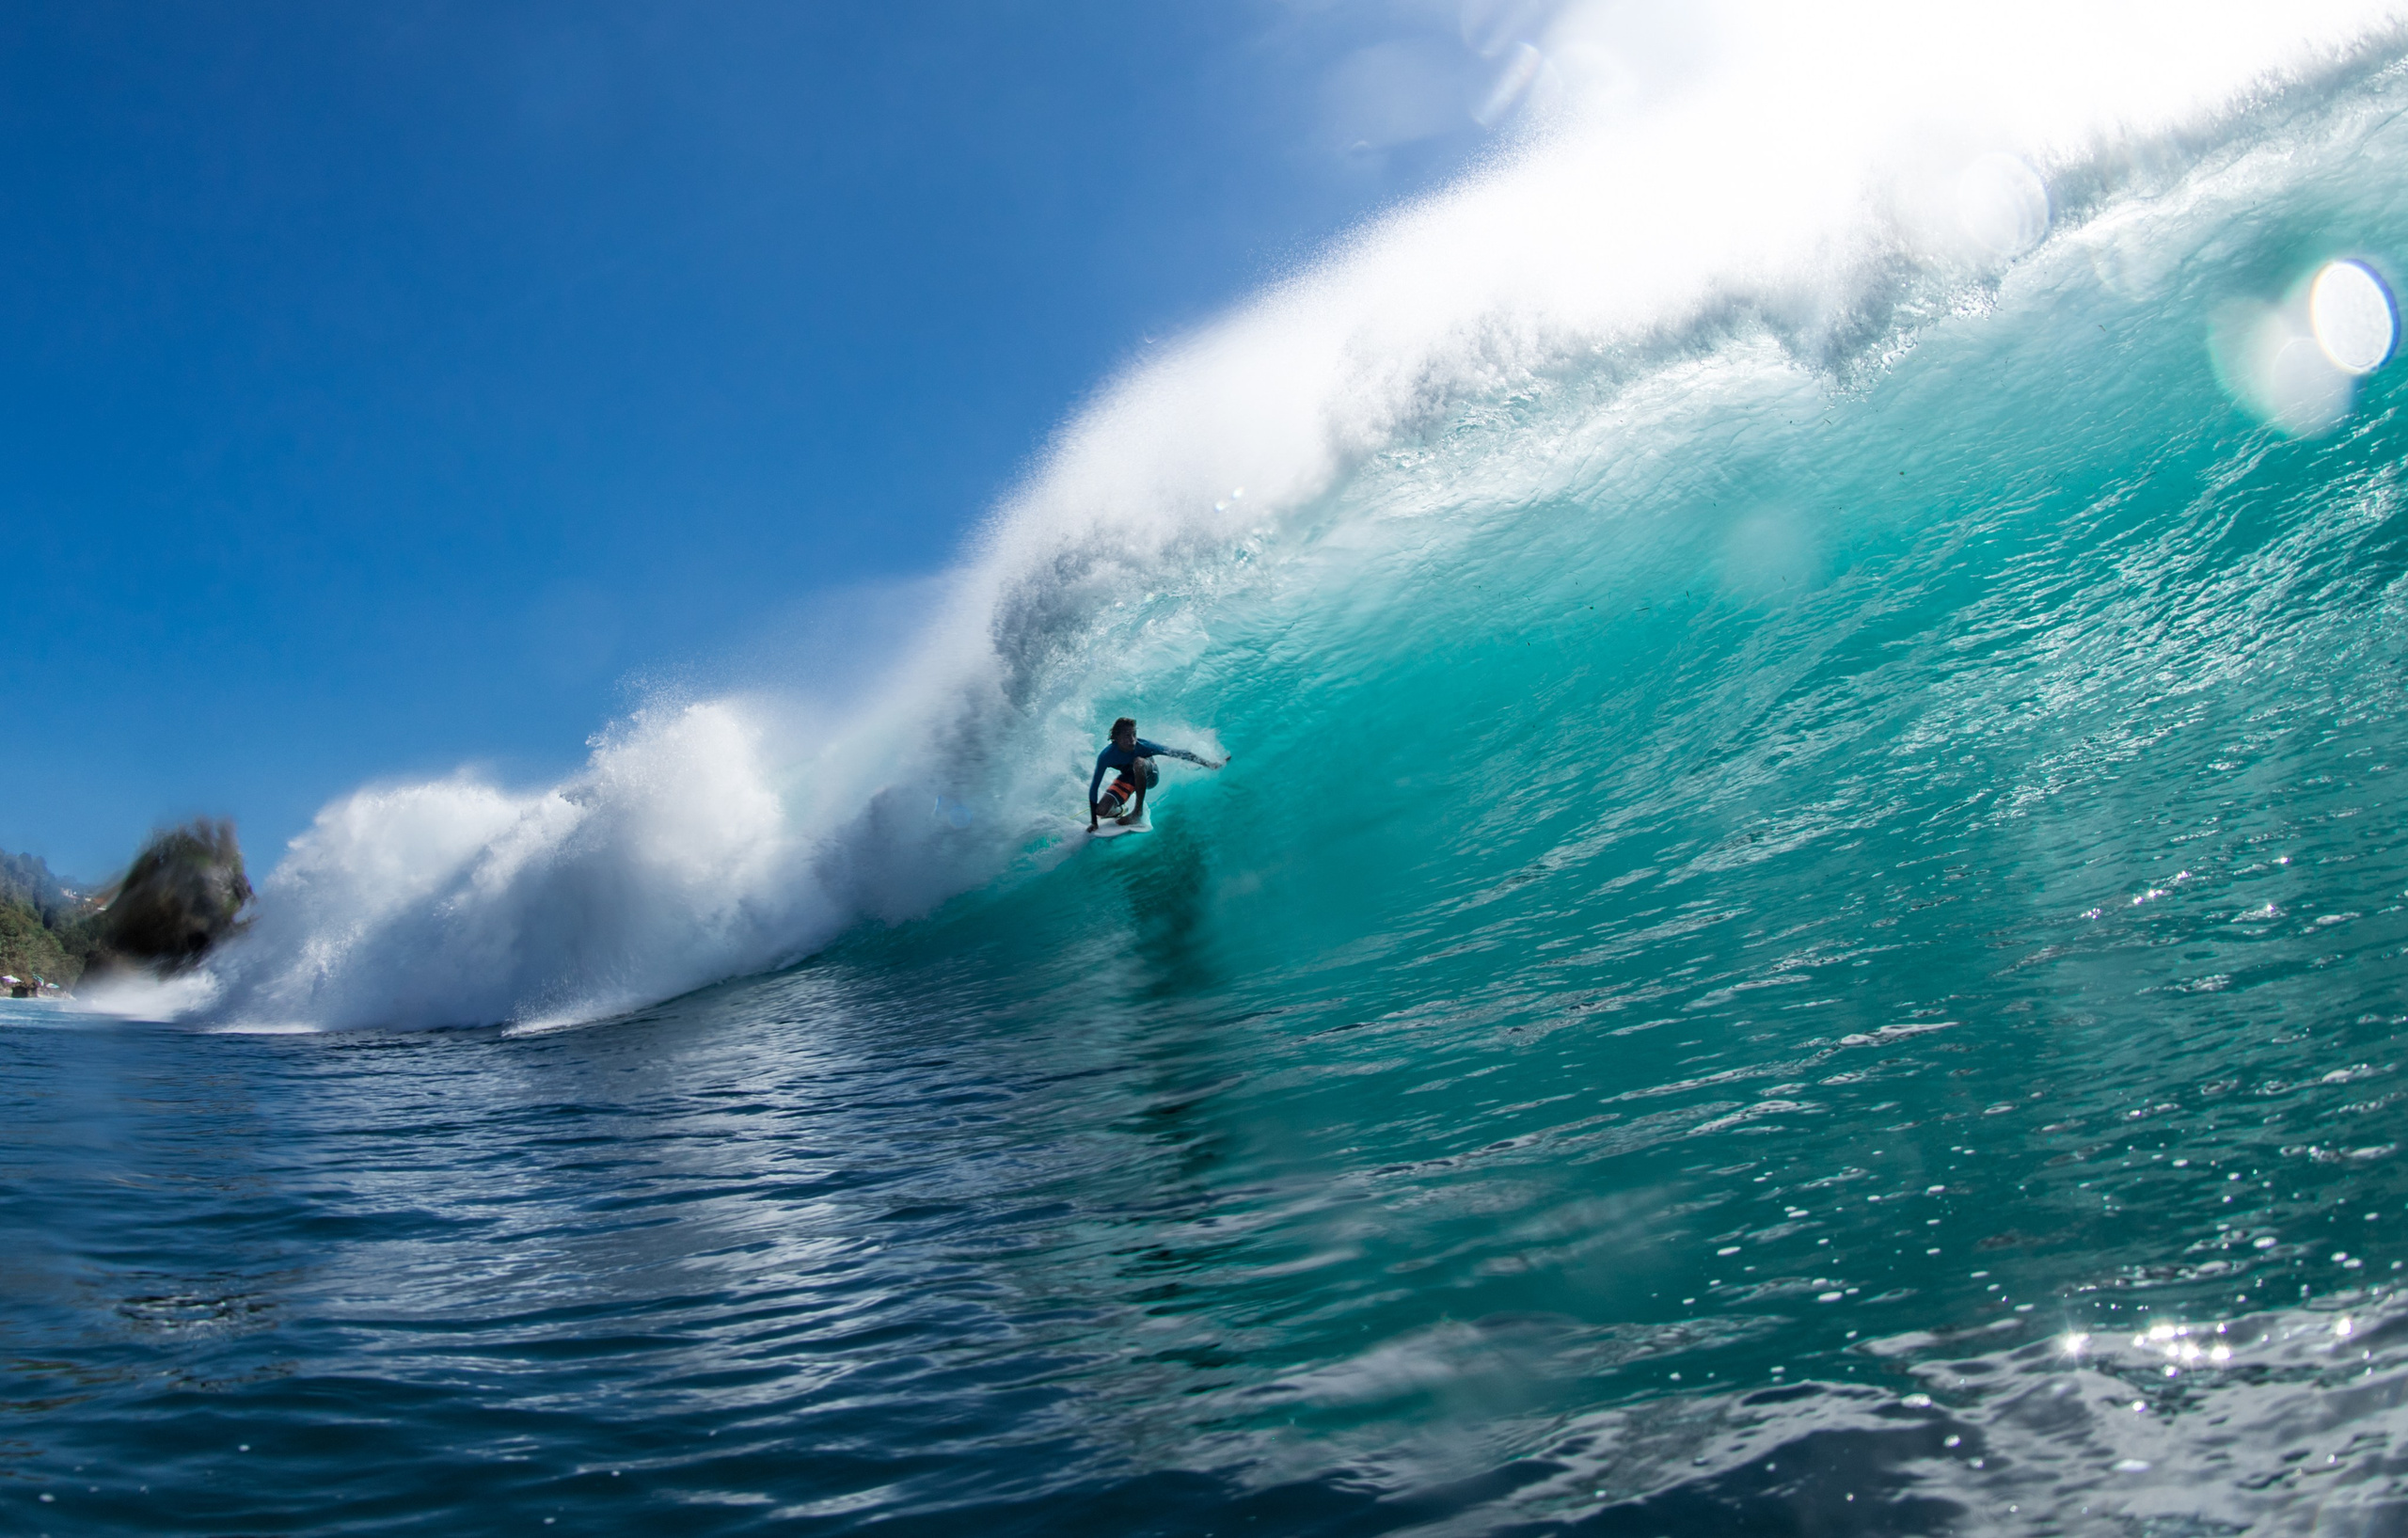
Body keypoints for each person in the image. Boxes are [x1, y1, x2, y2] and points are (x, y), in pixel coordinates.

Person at [1089, 717, 1224, 831]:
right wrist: (1094, 822)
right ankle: (1119, 810)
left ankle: (1137, 813)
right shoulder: (1106, 756)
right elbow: (1094, 786)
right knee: (1101, 811)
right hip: (1129, 778)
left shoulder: (1144, 746)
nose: (1132, 740)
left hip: (1150, 776)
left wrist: (1210, 764)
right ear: (1116, 737)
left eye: (1134, 734)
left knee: (1138, 762)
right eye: (1127, 736)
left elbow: (1180, 753)